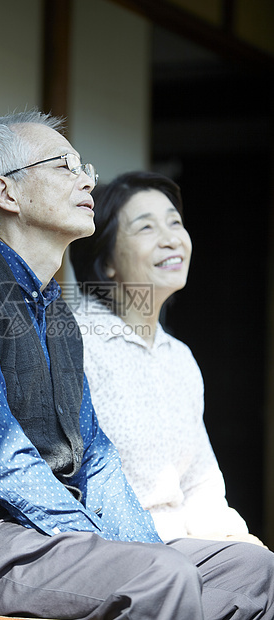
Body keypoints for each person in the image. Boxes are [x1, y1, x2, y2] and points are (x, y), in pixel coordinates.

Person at [0, 111, 274, 620]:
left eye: (84, 166)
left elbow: (96, 456)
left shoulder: (58, 314)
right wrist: (120, 551)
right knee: (162, 576)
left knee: (252, 570)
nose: (87, 178)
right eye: (64, 165)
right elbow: (2, 462)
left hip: (44, 541)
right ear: (7, 194)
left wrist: (141, 547)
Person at [69, 170, 264, 545]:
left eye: (175, 223)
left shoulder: (179, 358)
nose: (171, 239)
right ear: (106, 259)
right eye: (146, 228)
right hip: (118, 550)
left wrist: (232, 538)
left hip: (184, 546)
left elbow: (199, 481)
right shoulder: (76, 344)